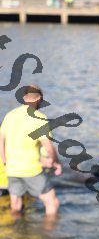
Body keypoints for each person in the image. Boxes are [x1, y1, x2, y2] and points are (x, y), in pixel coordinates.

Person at [0, 85, 61, 215]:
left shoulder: (10, 115)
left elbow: (1, 139)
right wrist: (56, 161)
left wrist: (4, 159)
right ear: (39, 99)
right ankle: (49, 228)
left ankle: (16, 226)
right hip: (31, 169)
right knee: (52, 203)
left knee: (16, 204)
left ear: (24, 98)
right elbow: (48, 146)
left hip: (12, 168)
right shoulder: (39, 118)